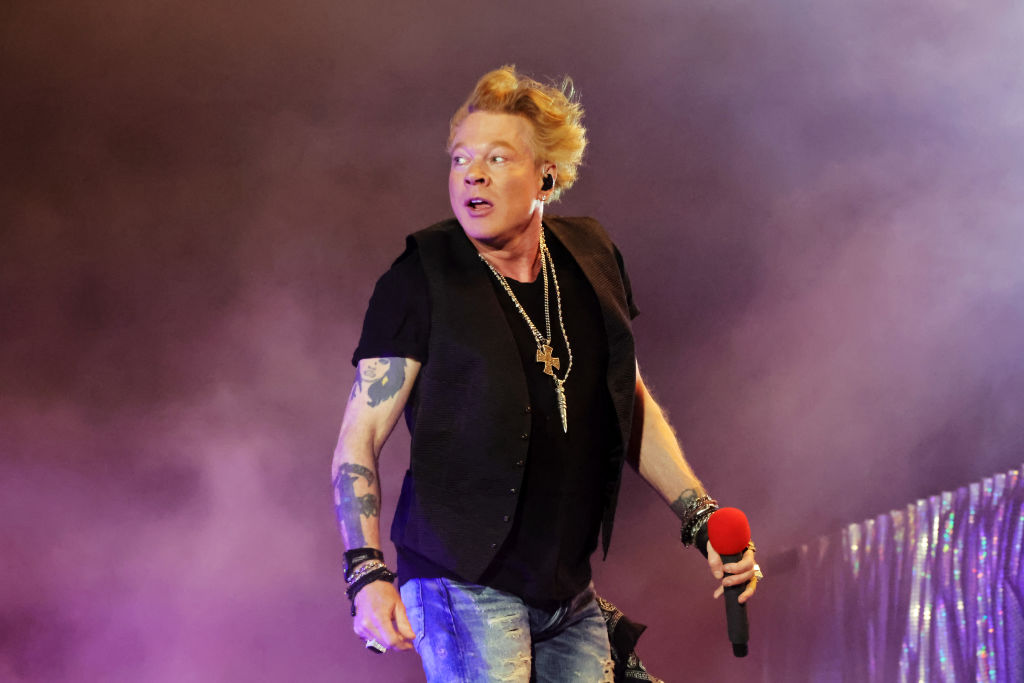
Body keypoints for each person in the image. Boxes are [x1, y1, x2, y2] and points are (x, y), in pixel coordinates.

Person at [331, 65, 761, 682]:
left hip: (566, 588)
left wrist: (699, 517)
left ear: (546, 175)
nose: (472, 174)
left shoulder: (590, 257)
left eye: (498, 158)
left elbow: (628, 405)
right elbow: (360, 438)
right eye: (460, 159)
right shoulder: (421, 277)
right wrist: (366, 572)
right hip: (463, 581)